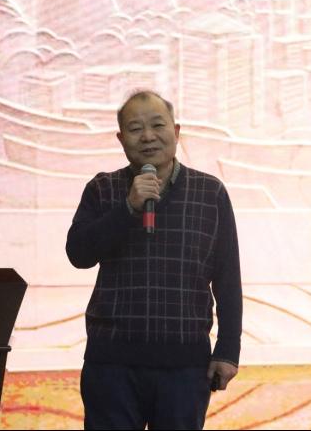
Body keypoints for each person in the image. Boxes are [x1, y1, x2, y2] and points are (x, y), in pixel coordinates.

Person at [66, 90, 243, 430]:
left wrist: (228, 349)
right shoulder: (102, 189)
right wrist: (128, 209)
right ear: (121, 139)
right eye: (135, 128)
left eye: (157, 125)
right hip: (112, 364)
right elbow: (78, 254)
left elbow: (227, 278)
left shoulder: (210, 193)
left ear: (176, 132)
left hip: (184, 365)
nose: (147, 136)